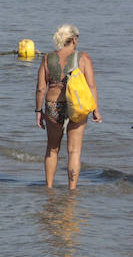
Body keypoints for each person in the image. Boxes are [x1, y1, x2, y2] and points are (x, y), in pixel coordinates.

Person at [35, 23, 102, 189]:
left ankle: (49, 188)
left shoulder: (47, 58)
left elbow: (41, 88)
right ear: (73, 39)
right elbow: (91, 86)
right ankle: (72, 190)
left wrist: (38, 111)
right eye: (77, 38)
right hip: (76, 106)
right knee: (74, 151)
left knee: (52, 149)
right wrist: (95, 110)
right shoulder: (83, 58)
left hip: (53, 105)